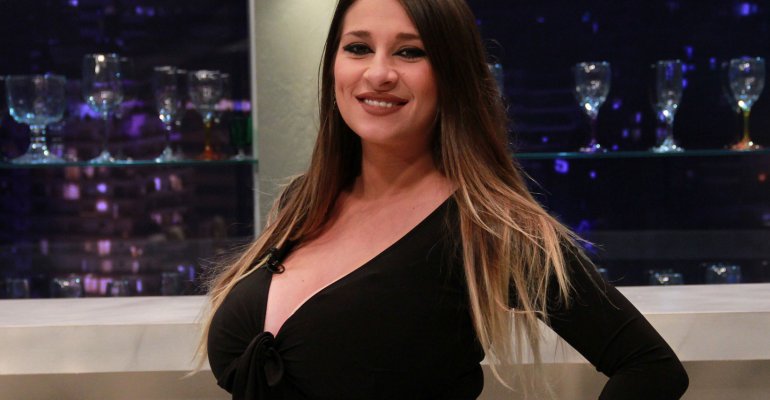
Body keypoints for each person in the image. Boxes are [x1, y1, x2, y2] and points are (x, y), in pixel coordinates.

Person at [198, 0, 689, 399]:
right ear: (334, 67)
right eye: (358, 48)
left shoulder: (489, 224)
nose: (379, 73)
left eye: (410, 52)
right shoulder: (302, 202)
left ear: (452, 73)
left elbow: (650, 368)